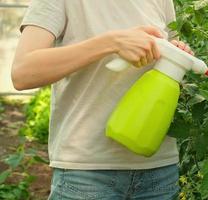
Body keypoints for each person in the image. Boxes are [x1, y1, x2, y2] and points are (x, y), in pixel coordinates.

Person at [11, 1, 193, 199]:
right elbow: (23, 72)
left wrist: (177, 54)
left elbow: (169, 54)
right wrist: (111, 43)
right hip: (87, 174)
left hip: (160, 171)